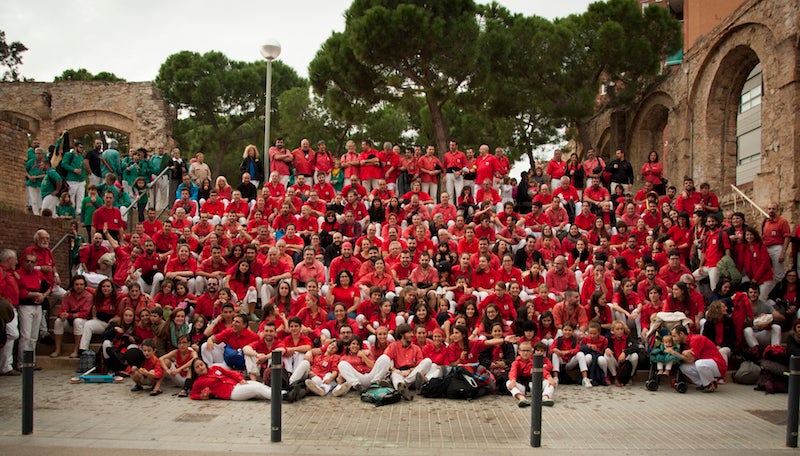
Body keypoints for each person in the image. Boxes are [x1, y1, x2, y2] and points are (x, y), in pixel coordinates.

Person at [670, 324, 727, 393]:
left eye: (674, 336)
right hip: (708, 364)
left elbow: (690, 360)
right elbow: (687, 359)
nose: (673, 339)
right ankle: (705, 384)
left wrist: (674, 353)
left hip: (718, 365)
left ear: (681, 334)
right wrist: (683, 353)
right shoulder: (685, 343)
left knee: (699, 363)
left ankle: (708, 385)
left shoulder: (696, 339)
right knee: (683, 367)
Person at [189, 358, 272, 401]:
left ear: (205, 364)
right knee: (256, 389)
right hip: (231, 393)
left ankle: (281, 393)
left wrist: (240, 380)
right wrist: (200, 396)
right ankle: (280, 396)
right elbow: (192, 395)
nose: (200, 368)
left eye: (201, 365)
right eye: (197, 367)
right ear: (195, 371)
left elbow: (229, 373)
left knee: (257, 385)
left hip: (237, 384)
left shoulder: (214, 368)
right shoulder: (198, 382)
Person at [51, 275, 93, 358]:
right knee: (58, 321)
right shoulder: (68, 295)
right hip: (69, 320)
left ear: (85, 286)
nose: (79, 287)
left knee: (77, 321)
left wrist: (69, 315)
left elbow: (85, 313)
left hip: (83, 322)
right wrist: (62, 315)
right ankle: (57, 349)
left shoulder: (88, 296)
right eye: (77, 284)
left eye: (81, 284)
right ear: (73, 286)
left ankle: (76, 350)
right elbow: (62, 309)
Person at [508, 341, 556, 408]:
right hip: (522, 388)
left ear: (531, 352)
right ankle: (522, 399)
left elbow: (544, 371)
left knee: (550, 382)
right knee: (508, 382)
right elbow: (512, 372)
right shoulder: (516, 363)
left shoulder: (534, 362)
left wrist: (550, 378)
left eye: (528, 351)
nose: (525, 353)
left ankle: (545, 397)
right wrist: (513, 381)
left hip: (534, 387)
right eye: (523, 350)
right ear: (519, 351)